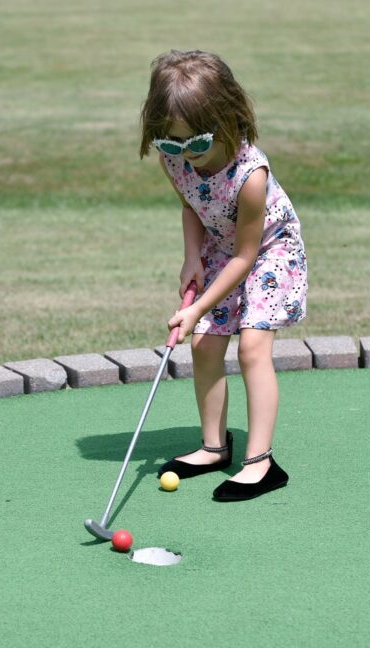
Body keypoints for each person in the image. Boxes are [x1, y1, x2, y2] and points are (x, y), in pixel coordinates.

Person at [139, 50, 308, 502]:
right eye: (171, 143)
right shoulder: (175, 159)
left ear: (228, 121)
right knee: (204, 343)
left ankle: (260, 462)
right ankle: (214, 447)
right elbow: (191, 207)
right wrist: (191, 257)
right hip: (220, 246)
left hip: (269, 252)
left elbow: (246, 256)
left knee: (253, 347)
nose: (184, 155)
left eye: (195, 144)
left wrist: (196, 306)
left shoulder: (251, 176)